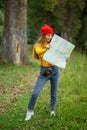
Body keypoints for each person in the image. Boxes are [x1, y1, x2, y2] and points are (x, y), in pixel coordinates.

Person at [25, 24, 60, 121]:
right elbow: (39, 52)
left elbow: (60, 57)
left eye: (51, 35)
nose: (50, 37)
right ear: (43, 35)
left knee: (54, 93)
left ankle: (52, 110)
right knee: (35, 93)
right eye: (48, 35)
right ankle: (30, 111)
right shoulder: (38, 46)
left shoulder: (54, 45)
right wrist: (46, 48)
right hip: (44, 72)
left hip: (55, 70)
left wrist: (65, 58)